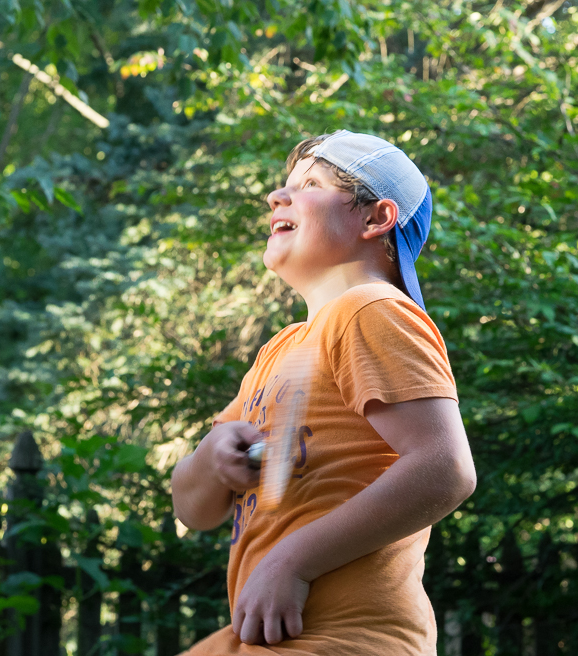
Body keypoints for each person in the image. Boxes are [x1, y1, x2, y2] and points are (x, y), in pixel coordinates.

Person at [171, 130, 477, 655]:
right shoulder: (279, 350)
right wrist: (212, 457)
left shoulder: (371, 308)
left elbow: (446, 468)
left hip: (348, 640)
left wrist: (292, 561)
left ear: (376, 219)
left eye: (310, 184)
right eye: (284, 185)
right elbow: (194, 509)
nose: (277, 196)